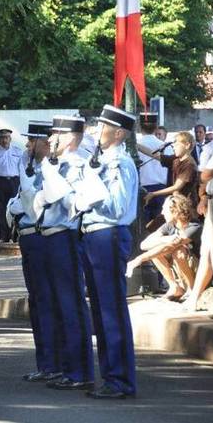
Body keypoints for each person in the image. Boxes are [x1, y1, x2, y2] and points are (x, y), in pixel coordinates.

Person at [71, 105, 138, 399]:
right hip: (93, 235)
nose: (97, 131)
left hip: (108, 234)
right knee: (100, 309)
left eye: (102, 126)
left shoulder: (119, 164)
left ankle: (121, 380)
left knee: (111, 310)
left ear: (119, 133)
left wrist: (92, 189)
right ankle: (110, 376)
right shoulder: (99, 161)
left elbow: (117, 207)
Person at [33, 116, 95, 391]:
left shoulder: (77, 166)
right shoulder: (58, 165)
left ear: (69, 138)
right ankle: (67, 367)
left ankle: (80, 370)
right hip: (50, 236)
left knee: (71, 305)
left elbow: (71, 203)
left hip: (66, 235)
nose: (49, 140)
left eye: (55, 135)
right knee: (59, 305)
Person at [6, 121, 64, 384]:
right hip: (28, 238)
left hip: (41, 238)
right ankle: (45, 362)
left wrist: (23, 204)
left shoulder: (50, 168)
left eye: (33, 141)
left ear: (45, 142)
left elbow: (41, 203)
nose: (28, 145)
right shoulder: (31, 167)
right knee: (37, 303)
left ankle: (54, 362)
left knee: (47, 301)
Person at [126, 194, 198, 301]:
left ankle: (193, 290)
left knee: (178, 251)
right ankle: (175, 288)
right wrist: (166, 238)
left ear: (175, 210)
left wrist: (139, 259)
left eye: (164, 209)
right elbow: (144, 245)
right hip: (179, 269)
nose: (162, 213)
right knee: (154, 251)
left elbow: (171, 246)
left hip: (198, 271)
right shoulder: (169, 226)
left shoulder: (194, 226)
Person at [186, 144, 213, 318]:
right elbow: (205, 178)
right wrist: (204, 198)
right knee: (207, 249)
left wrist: (210, 173)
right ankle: (194, 296)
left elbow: (209, 173)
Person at [141, 131, 198, 209]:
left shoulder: (189, 164)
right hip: (174, 203)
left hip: (185, 206)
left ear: (187, 145)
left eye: (177, 144)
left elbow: (176, 187)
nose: (173, 147)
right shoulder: (176, 159)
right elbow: (155, 155)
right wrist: (137, 146)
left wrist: (153, 194)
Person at [0, 128, 22, 242]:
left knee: (15, 208)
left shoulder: (18, 151)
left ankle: (14, 234)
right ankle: (3, 235)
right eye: (1, 138)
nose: (4, 140)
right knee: (1, 210)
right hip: (0, 182)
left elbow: (22, 169)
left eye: (6, 137)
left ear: (10, 139)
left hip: (14, 181)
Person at [137, 113, 169, 224]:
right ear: (156, 128)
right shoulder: (166, 146)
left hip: (142, 189)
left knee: (142, 227)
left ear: (139, 127)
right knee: (160, 227)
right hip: (162, 189)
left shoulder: (134, 146)